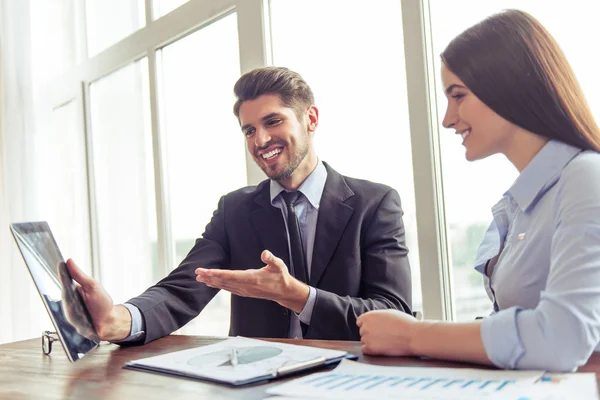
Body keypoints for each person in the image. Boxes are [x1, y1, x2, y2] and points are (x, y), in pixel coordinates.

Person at [67, 66, 413, 344]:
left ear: (311, 119)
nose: (260, 141)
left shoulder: (375, 203)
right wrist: (117, 319)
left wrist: (298, 296)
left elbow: (393, 312)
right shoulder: (235, 209)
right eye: (249, 130)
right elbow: (184, 287)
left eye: (273, 121)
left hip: (347, 383)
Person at [358, 9, 600, 372]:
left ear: (509, 85)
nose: (447, 118)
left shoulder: (585, 177)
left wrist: (412, 335)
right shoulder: (517, 205)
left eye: (458, 96)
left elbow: (561, 339)